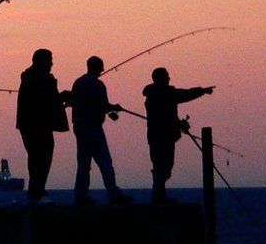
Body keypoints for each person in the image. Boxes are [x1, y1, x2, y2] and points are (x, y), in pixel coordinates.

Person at [143, 67, 214, 204]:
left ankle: (158, 196)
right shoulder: (166, 93)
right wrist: (202, 91)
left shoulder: (151, 95)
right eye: (167, 76)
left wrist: (178, 124)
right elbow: (184, 95)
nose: (169, 78)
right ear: (161, 78)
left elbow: (168, 114)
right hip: (164, 137)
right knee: (164, 167)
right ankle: (159, 197)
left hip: (154, 137)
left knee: (160, 166)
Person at [70, 56, 133, 205]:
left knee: (83, 163)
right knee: (105, 161)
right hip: (93, 127)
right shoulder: (97, 85)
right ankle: (113, 194)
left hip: (79, 127)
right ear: (98, 67)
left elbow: (78, 102)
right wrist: (114, 108)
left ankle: (80, 196)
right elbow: (103, 105)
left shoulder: (78, 83)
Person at [15, 49, 70, 205]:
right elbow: (43, 101)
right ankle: (37, 192)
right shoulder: (37, 79)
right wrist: (61, 98)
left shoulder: (33, 78)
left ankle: (37, 191)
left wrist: (59, 99)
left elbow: (46, 101)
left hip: (33, 125)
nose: (52, 63)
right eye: (49, 60)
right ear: (40, 61)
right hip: (36, 126)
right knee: (40, 158)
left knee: (38, 158)